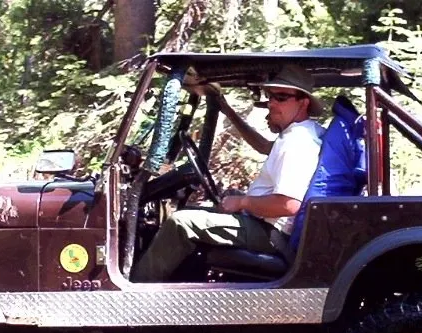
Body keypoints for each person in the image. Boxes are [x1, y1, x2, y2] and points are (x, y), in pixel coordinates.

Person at [131, 64, 325, 283]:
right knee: (195, 212)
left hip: (270, 233)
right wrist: (227, 110)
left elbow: (289, 205)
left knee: (181, 222)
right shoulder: (298, 134)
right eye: (271, 96)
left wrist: (243, 202)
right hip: (264, 225)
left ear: (303, 103)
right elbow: (263, 146)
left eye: (281, 97)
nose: (272, 103)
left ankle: (134, 290)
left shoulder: (298, 143)